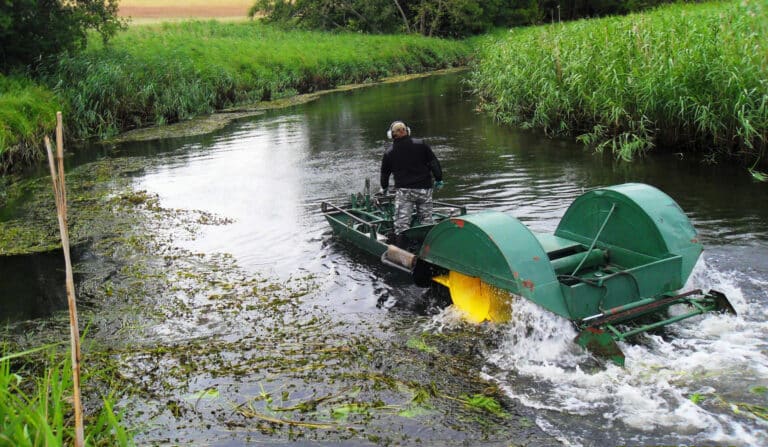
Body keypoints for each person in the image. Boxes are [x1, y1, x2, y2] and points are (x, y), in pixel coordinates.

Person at [380, 121, 444, 248]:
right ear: (407, 131)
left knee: (402, 224)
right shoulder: (421, 144)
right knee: (426, 220)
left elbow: (385, 174)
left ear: (391, 135)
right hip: (425, 189)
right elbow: (434, 163)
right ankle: (429, 248)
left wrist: (385, 188)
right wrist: (438, 179)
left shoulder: (389, 152)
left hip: (405, 192)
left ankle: (402, 251)